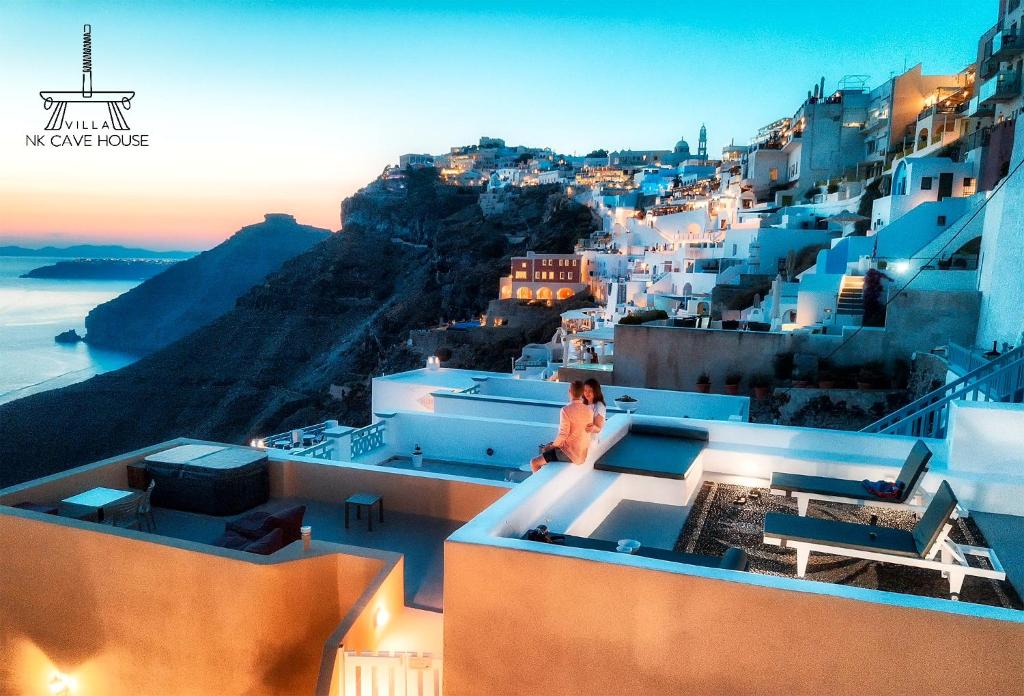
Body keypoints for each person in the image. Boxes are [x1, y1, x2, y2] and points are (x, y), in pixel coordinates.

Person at [528, 380, 592, 472]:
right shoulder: (589, 410)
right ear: (582, 394)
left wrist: (552, 447)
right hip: (582, 453)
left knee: (534, 462)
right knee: (548, 447)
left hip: (571, 454)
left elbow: (563, 434)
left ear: (570, 391)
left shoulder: (566, 410)